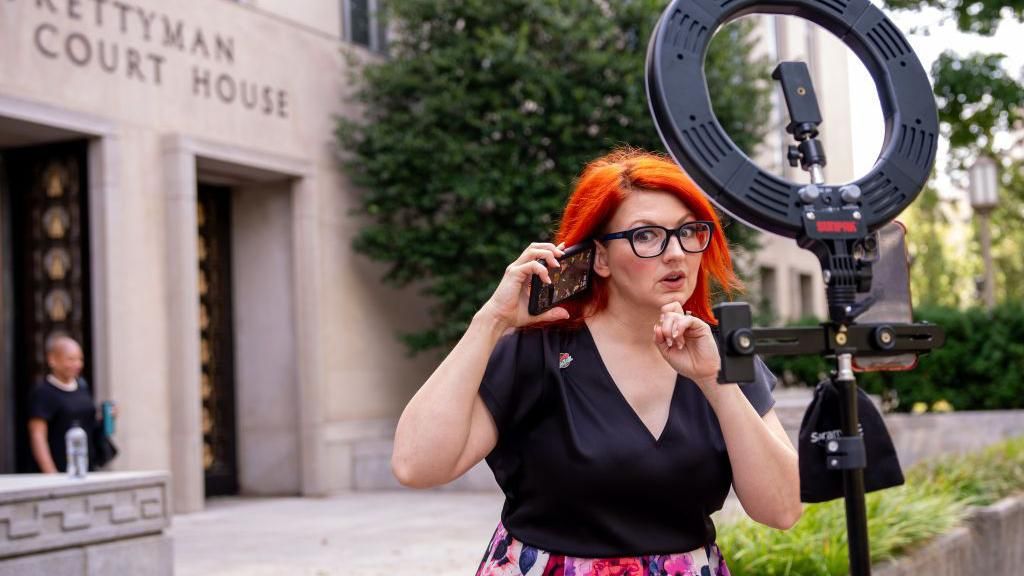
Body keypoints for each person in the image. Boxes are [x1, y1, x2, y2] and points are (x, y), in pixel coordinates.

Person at [392, 149, 801, 574]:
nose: (676, 253)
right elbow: (416, 466)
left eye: (688, 232)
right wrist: (491, 320)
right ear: (600, 258)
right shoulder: (540, 350)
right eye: (646, 236)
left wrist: (716, 384)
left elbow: (782, 510)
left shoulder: (720, 352)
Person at [27, 334, 118, 474]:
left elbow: (88, 423)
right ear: (52, 359)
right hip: (61, 470)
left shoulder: (82, 386)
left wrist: (107, 417)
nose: (77, 364)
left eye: (79, 359)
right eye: (70, 359)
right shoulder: (44, 392)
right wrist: (51, 474)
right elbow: (37, 435)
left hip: (87, 468)